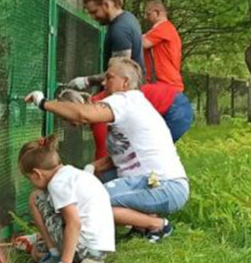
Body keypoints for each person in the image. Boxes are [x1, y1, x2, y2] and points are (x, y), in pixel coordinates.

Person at [26, 57, 188, 242]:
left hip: (166, 186)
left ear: (125, 82)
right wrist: (89, 170)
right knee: (92, 197)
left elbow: (83, 114)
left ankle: (159, 226)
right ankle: (143, 223)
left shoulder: (125, 100)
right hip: (156, 182)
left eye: (109, 77)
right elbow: (119, 158)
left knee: (90, 202)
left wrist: (43, 103)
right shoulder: (132, 104)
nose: (103, 82)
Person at [16, 134, 116, 263]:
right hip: (99, 248)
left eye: (29, 178)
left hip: (83, 247)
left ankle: (54, 256)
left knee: (35, 198)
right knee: (40, 246)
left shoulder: (57, 184)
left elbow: (74, 223)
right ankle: (90, 262)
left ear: (37, 174)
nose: (31, 183)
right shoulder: (72, 174)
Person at [141, 0, 184, 92]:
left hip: (167, 84)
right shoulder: (166, 29)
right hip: (167, 83)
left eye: (148, 14)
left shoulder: (163, 28)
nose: (146, 17)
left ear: (157, 13)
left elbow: (144, 43)